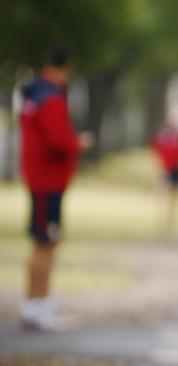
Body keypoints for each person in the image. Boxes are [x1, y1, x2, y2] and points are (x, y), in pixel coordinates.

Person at [19, 42, 93, 331]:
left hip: (43, 177)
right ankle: (34, 307)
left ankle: (42, 301)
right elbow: (59, 141)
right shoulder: (50, 98)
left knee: (48, 240)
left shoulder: (33, 93)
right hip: (46, 179)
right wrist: (79, 144)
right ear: (68, 66)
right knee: (44, 242)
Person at [152, 119, 178, 233]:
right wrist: (160, 166)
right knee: (162, 191)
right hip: (165, 169)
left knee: (173, 195)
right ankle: (159, 217)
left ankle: (170, 218)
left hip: (176, 169)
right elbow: (156, 150)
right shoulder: (161, 136)